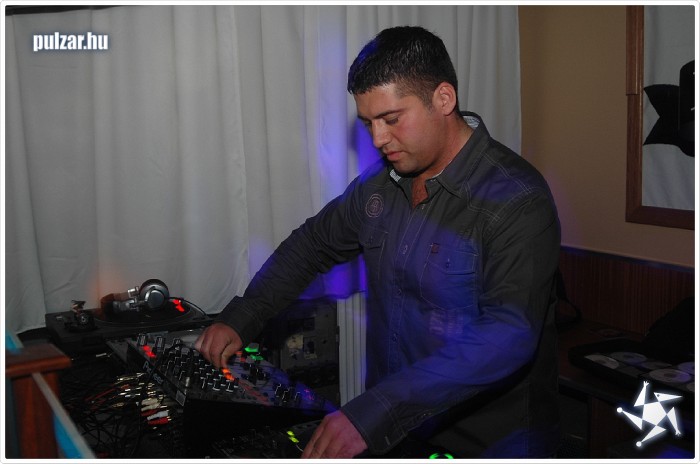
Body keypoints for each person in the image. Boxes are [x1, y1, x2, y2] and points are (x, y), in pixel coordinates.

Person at [195, 25, 561, 459]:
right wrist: (243, 316)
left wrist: (381, 409)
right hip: (397, 433)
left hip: (485, 442)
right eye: (368, 123)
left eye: (391, 119)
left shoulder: (517, 198)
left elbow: (508, 333)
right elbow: (312, 244)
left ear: (444, 99)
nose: (377, 139)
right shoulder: (379, 187)